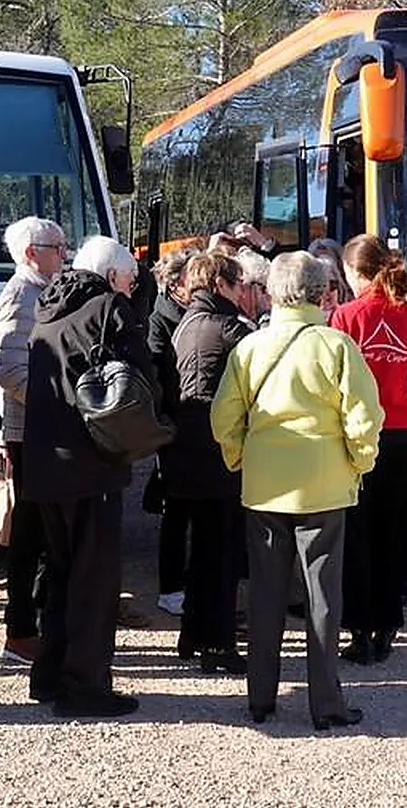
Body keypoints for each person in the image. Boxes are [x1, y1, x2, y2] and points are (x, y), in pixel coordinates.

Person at [210, 251, 383, 730]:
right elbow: (365, 418)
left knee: (264, 596)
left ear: (271, 292)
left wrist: (240, 458)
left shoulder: (250, 348)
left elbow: (223, 418)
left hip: (265, 485)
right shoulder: (336, 345)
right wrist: (358, 463)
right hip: (325, 485)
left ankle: (260, 698)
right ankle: (326, 705)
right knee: (324, 600)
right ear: (322, 293)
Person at [22, 235, 156, 717]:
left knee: (59, 574)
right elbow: (142, 377)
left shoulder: (48, 307)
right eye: (128, 279)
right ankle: (85, 686)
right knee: (94, 581)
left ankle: (50, 675)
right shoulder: (108, 310)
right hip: (90, 465)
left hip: (44, 463)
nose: (131, 286)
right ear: (112, 277)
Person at [329, 234, 407, 664]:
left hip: (358, 436)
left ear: (355, 273)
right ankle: (388, 624)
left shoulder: (346, 316)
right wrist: (405, 380)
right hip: (402, 436)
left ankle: (359, 631)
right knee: (393, 532)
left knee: (357, 535)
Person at [163, 252, 255, 674]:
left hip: (186, 449)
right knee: (222, 551)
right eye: (239, 285)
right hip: (219, 451)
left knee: (201, 547)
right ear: (221, 284)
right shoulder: (230, 329)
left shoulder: (187, 323)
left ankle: (193, 632)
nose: (244, 293)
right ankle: (218, 644)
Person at [0, 216, 68, 665]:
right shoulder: (21, 294)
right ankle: (19, 630)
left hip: (42, 429)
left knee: (44, 533)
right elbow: (12, 371)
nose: (64, 254)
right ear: (29, 253)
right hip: (29, 430)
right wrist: (59, 400)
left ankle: (38, 620)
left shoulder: (43, 289)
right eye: (55, 247)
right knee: (29, 535)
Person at [146, 249, 195, 617]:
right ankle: (171, 586)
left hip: (191, 419)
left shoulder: (189, 313)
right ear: (175, 283)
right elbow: (159, 372)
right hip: (175, 422)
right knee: (176, 508)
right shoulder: (160, 319)